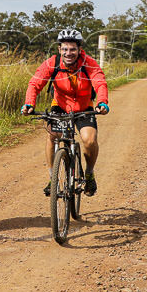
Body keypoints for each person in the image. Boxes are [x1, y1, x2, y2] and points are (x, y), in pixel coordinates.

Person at [20, 29, 110, 196]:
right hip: (60, 106)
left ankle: (89, 174)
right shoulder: (52, 63)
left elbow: (100, 82)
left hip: (84, 108)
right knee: (53, 135)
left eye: (73, 49)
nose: (69, 53)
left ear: (79, 50)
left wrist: (102, 102)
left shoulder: (88, 63)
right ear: (59, 49)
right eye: (65, 49)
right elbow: (35, 84)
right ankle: (52, 178)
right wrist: (29, 104)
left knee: (89, 141)